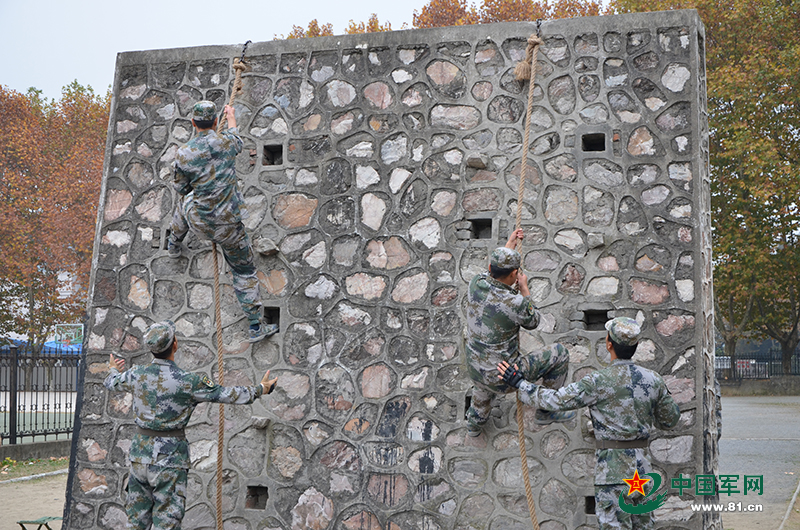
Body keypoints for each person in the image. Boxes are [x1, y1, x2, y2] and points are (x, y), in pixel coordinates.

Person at [498, 317, 680, 529]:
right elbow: (670, 420)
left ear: (608, 343)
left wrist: (520, 383)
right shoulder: (653, 379)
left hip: (613, 474)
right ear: (635, 346)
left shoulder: (597, 381)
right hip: (642, 473)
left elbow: (556, 399)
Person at [104, 320, 278, 530]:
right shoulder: (188, 381)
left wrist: (113, 369)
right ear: (175, 344)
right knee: (166, 523)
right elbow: (226, 394)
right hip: (170, 461)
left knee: (135, 523)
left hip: (139, 458)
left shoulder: (136, 374)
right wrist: (261, 389)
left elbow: (111, 382)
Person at [167, 100, 276, 342]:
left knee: (184, 204)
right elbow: (237, 138)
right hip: (229, 226)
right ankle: (255, 326)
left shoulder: (184, 153)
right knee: (244, 270)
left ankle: (173, 243)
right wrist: (232, 115)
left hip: (202, 223)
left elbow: (181, 188)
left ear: (193, 123)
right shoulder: (226, 142)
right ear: (216, 122)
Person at [464, 228, 574, 437]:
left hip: (475, 367)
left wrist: (510, 244)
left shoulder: (475, 283)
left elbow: (494, 270)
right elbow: (533, 321)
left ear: (489, 268)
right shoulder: (515, 303)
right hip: (504, 375)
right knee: (559, 353)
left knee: (482, 390)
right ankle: (546, 410)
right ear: (515, 275)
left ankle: (474, 425)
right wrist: (525, 290)